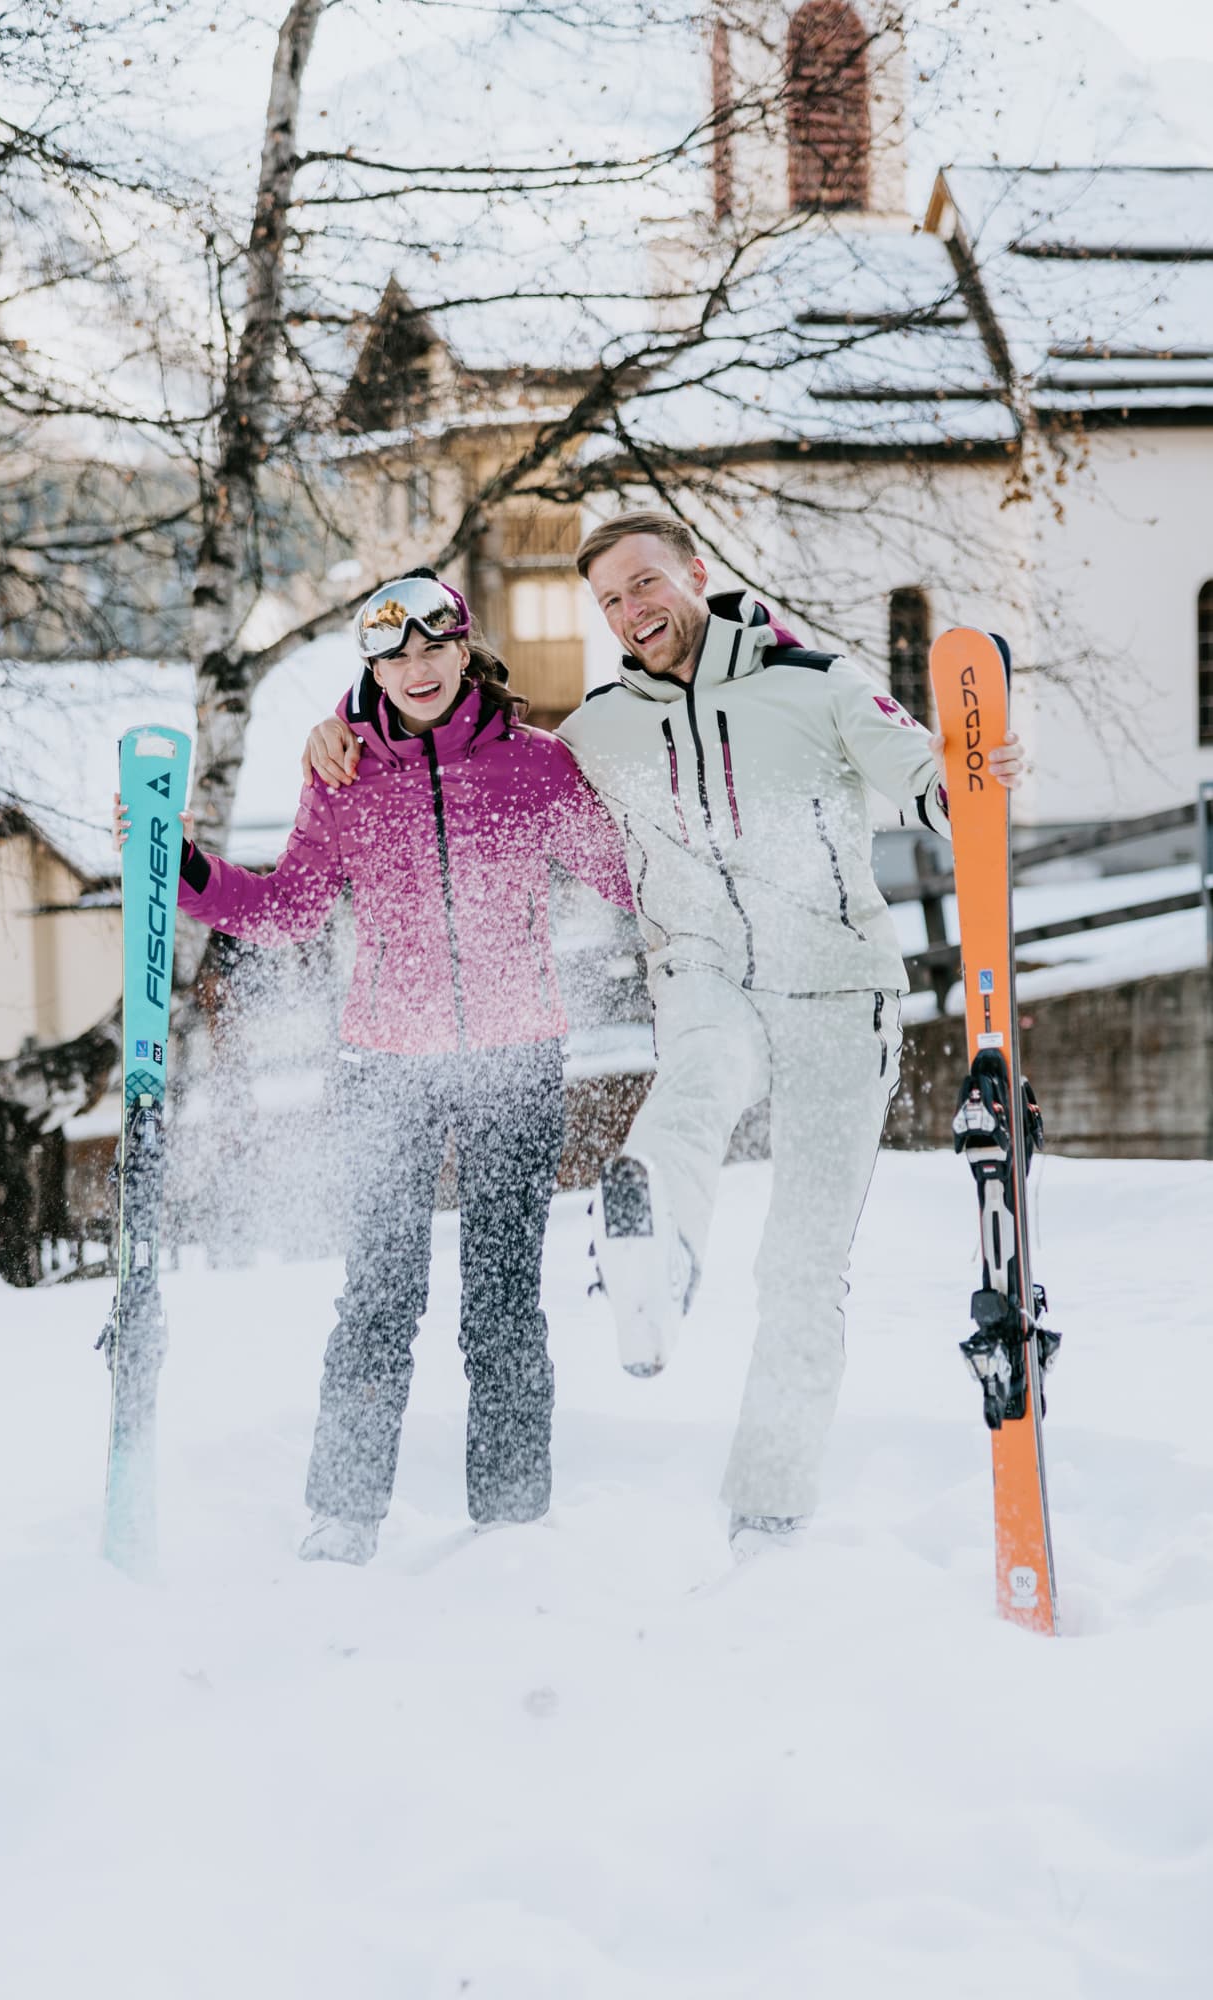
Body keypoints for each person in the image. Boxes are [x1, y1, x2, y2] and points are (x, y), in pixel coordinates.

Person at [303, 516, 1024, 1560]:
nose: (631, 610)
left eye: (643, 583)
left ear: (694, 573)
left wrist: (969, 775)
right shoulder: (597, 731)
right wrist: (335, 720)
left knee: (799, 1265)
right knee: (692, 1090)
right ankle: (654, 1251)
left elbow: (918, 774)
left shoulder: (815, 683)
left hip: (833, 986)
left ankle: (768, 1507)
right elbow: (452, 723)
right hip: (702, 974)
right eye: (609, 600)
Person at [117, 570, 632, 1565]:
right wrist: (177, 870)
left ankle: (514, 1521)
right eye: (392, 654)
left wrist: (651, 781)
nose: (415, 667)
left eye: (432, 646)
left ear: (464, 647)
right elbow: (292, 907)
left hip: (516, 1058)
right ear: (372, 667)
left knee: (502, 1299)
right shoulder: (342, 772)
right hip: (384, 1064)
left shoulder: (534, 766)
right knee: (378, 1295)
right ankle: (343, 1514)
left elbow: (622, 874)